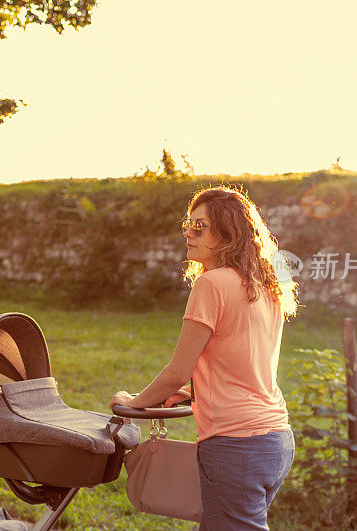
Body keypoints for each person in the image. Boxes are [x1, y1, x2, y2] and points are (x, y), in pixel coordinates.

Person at [111, 186, 298, 530]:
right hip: (276, 441)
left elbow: (176, 372)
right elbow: (241, 363)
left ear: (227, 234)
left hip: (235, 445)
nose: (187, 232)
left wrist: (133, 402)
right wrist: (197, 393)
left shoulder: (211, 285)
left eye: (200, 226)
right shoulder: (264, 284)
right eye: (188, 223)